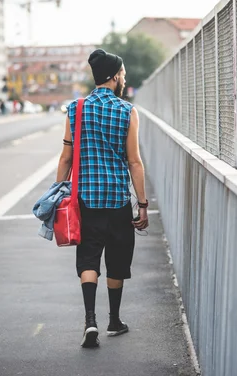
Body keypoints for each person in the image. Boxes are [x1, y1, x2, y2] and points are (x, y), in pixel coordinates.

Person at [56, 49, 149, 348]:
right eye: (122, 74)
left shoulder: (76, 109)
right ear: (114, 77)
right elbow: (134, 161)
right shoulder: (127, 112)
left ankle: (90, 320)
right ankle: (114, 320)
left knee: (88, 258)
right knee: (117, 260)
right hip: (118, 199)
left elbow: (66, 157)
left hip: (87, 200)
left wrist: (60, 193)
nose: (123, 78)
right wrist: (143, 205)